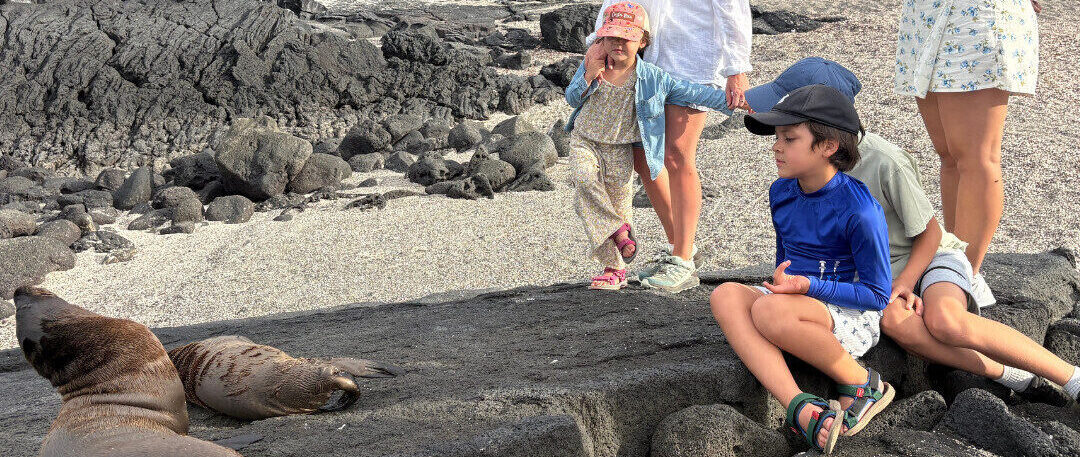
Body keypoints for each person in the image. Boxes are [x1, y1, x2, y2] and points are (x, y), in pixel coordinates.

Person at [709, 85, 894, 454]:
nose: (776, 146)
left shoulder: (859, 210)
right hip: (794, 299)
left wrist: (806, 286)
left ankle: (862, 382)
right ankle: (801, 407)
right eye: (777, 137)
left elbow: (877, 295)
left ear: (828, 146)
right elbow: (786, 258)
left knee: (766, 309)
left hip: (849, 312)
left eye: (790, 138)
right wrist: (785, 282)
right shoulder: (782, 191)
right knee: (724, 294)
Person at [564, 2, 734, 290]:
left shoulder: (652, 78)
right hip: (586, 141)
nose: (618, 44)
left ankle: (615, 268)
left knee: (619, 203)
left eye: (626, 38)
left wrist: (734, 100)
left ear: (642, 41)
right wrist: (588, 74)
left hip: (620, 148)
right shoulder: (595, 65)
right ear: (601, 39)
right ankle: (617, 230)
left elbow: (693, 92)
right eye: (611, 37)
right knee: (583, 180)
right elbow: (572, 97)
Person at [894, 0, 1041, 304]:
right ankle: (954, 265)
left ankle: (964, 277)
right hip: (928, 17)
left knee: (976, 157)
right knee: (950, 156)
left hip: (974, 18)